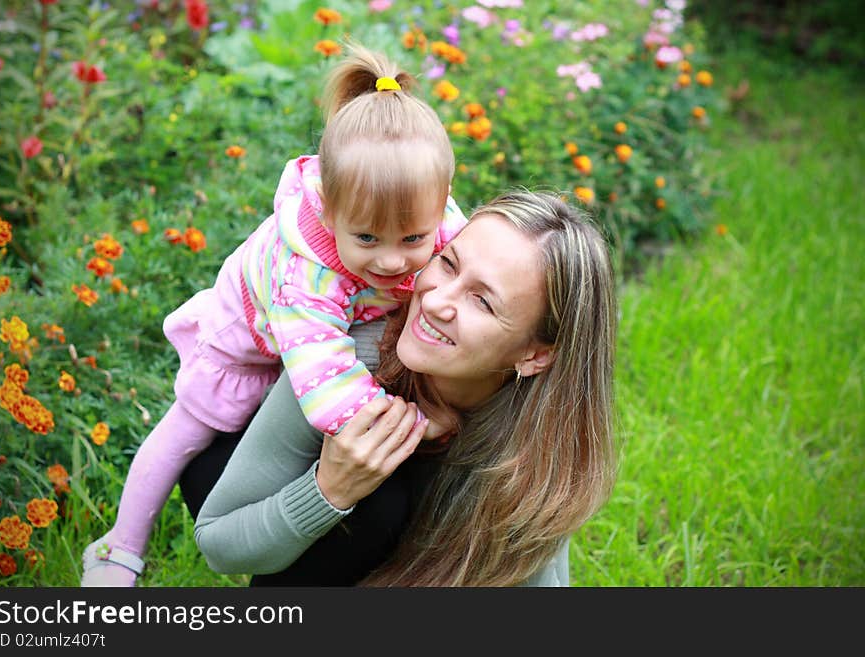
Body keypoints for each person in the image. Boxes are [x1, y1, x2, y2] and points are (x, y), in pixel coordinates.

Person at [80, 43, 467, 586]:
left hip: (322, 335)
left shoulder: (440, 220)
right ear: (329, 209)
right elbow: (326, 383)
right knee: (183, 435)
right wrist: (416, 427)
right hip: (245, 346)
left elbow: (463, 264)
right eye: (365, 237)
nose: (390, 259)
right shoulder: (305, 276)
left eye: (413, 237)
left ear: (442, 201)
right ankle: (119, 548)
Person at [191, 190, 618, 587]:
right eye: (448, 263)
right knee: (379, 504)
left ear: (535, 355)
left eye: (482, 301)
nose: (434, 301)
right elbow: (219, 543)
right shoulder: (343, 363)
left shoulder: (535, 444)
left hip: (403, 557)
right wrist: (329, 489)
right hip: (259, 480)